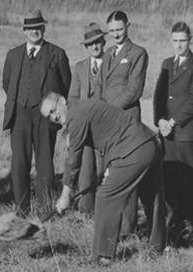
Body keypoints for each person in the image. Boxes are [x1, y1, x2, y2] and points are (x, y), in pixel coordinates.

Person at [43, 93, 166, 266]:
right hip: (149, 143)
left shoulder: (75, 116)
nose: (53, 117)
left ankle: (103, 256)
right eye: (49, 116)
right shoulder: (82, 108)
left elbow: (73, 160)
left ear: (62, 101)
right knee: (151, 196)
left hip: (133, 149)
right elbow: (110, 134)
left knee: (106, 197)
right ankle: (158, 246)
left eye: (53, 110)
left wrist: (65, 195)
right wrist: (111, 166)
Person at [2, 10, 71, 217]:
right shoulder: (13, 54)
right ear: (24, 31)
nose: (35, 32)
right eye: (30, 28)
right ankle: (21, 208)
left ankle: (44, 207)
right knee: (19, 163)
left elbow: (66, 85)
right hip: (20, 115)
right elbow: (7, 83)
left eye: (38, 28)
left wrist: (52, 108)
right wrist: (22, 100)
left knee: (44, 163)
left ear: (44, 28)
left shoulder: (56, 53)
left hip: (45, 118)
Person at [153, 22, 193, 244]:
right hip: (167, 132)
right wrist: (159, 120)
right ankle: (173, 221)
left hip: (185, 132)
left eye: (182, 40)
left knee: (188, 179)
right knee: (169, 178)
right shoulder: (167, 63)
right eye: (175, 41)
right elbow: (158, 95)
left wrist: (173, 122)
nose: (179, 45)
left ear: (190, 39)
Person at [101, 10, 151, 237]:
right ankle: (113, 223)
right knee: (111, 172)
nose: (116, 34)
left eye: (119, 30)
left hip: (127, 120)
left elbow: (134, 90)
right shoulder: (108, 54)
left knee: (127, 172)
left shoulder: (138, 53)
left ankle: (127, 227)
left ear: (128, 26)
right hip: (109, 123)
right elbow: (102, 88)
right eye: (111, 31)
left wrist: (110, 110)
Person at [66, 22, 106, 214]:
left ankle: (106, 210)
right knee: (85, 171)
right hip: (85, 128)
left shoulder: (111, 63)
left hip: (104, 127)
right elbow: (72, 98)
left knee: (105, 170)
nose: (95, 47)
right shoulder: (80, 67)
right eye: (90, 44)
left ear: (103, 42)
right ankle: (85, 211)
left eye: (97, 42)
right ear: (86, 47)